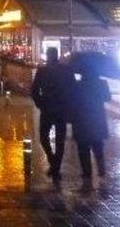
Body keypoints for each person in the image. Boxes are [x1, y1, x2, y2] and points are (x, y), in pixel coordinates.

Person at [31, 47, 75, 179]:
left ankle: (53, 162)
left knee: (44, 137)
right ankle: (56, 165)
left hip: (47, 108)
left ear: (48, 56)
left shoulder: (43, 71)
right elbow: (73, 89)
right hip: (61, 109)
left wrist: (40, 103)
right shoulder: (66, 71)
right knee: (60, 140)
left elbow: (34, 90)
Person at [70, 69, 111, 185]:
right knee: (98, 145)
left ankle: (87, 173)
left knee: (83, 147)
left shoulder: (78, 85)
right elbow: (107, 98)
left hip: (82, 119)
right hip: (96, 118)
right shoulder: (102, 83)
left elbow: (73, 101)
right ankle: (101, 169)